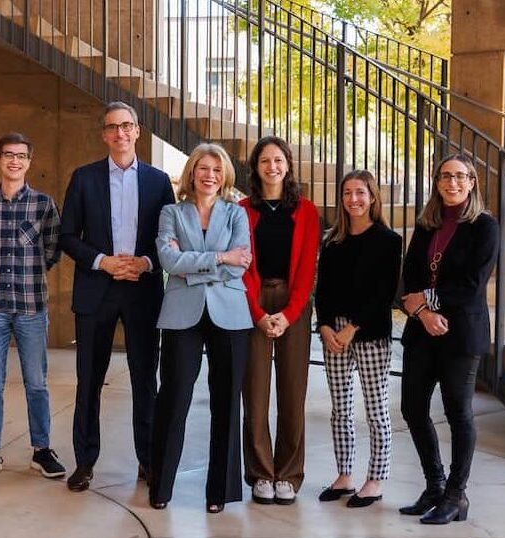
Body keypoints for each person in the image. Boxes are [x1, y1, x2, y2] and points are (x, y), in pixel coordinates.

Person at [59, 101, 176, 492]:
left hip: (142, 291)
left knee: (146, 381)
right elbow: (67, 237)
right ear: (104, 134)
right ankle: (85, 462)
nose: (120, 133)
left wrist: (145, 262)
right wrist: (102, 261)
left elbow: (170, 239)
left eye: (127, 126)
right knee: (88, 380)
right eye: (112, 127)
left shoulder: (159, 182)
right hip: (97, 291)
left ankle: (148, 461)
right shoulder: (84, 178)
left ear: (138, 131)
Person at [148, 143, 252, 513]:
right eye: (203, 168)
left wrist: (193, 265)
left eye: (217, 169)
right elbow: (168, 260)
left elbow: (242, 264)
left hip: (231, 315)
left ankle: (220, 492)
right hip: (181, 314)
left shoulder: (236, 214)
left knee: (227, 402)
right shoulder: (171, 213)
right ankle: (160, 487)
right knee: (174, 398)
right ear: (191, 172)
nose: (209, 175)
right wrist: (220, 257)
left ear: (224, 176)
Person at [399, 153, 498, 524]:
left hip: (462, 335)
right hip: (423, 332)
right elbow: (410, 275)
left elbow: (472, 285)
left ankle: (457, 495)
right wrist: (423, 314)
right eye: (445, 176)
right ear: (436, 182)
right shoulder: (427, 225)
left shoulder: (485, 227)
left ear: (472, 181)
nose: (452, 183)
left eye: (460, 176)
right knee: (412, 408)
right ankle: (435, 485)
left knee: (458, 414)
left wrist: (427, 300)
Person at [0, 133, 65, 482]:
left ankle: (42, 450)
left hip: (30, 307)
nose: (15, 161)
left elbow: (53, 250)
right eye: (8, 155)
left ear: (29, 162)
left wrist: (29, 274)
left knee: (36, 383)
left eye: (21, 156)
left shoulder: (43, 205)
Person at [239, 135, 321, 505]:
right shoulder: (241, 209)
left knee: (292, 392)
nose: (272, 167)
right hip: (252, 302)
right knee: (254, 394)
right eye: (264, 161)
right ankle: (260, 473)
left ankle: (288, 474)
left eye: (278, 160)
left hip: (294, 304)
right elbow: (242, 265)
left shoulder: (306, 210)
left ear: (288, 165)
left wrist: (288, 315)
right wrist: (257, 314)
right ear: (255, 169)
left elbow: (307, 270)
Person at [315, 170, 402, 508]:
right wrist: (324, 326)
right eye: (348, 193)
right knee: (341, 408)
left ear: (372, 197)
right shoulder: (332, 241)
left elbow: (384, 294)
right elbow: (322, 290)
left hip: (368, 333)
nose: (354, 199)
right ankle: (345, 475)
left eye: (360, 193)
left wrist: (353, 328)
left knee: (376, 409)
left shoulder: (388, 240)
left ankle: (376, 479)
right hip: (333, 332)